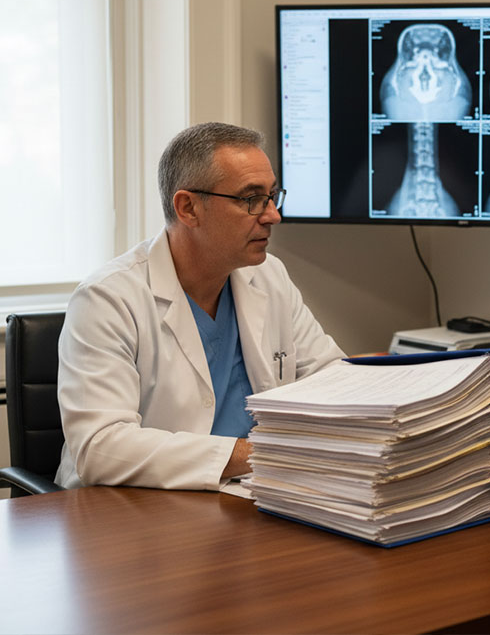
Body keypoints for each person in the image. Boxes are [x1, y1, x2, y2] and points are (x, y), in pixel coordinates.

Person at [55, 122, 345, 491]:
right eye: (250, 199)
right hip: (131, 512)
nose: (273, 215)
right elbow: (101, 448)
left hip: (250, 496)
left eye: (272, 196)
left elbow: (331, 378)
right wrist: (261, 453)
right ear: (188, 208)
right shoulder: (107, 299)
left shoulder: (269, 276)